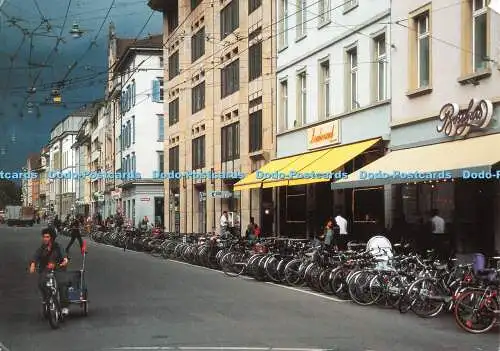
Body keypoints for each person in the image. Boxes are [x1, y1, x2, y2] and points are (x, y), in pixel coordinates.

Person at [29, 228, 70, 315]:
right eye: (44, 237)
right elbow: (35, 257)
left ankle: (64, 306)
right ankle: (45, 299)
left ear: (52, 238)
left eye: (47, 237)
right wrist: (32, 265)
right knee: (41, 283)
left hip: (58, 269)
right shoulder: (42, 248)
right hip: (46, 270)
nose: (45, 239)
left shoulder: (58, 247)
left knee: (62, 284)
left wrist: (65, 260)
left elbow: (64, 255)